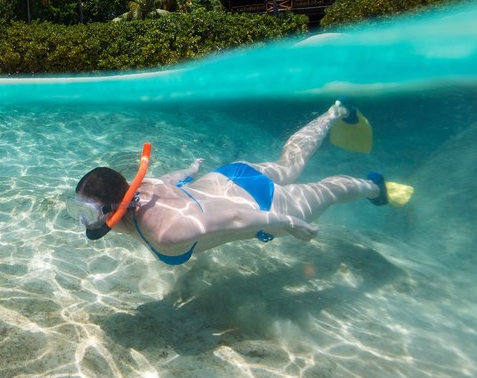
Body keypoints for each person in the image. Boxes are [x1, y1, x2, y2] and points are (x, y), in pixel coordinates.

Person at [72, 100, 413, 265]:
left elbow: (233, 219)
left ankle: (375, 189)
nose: (87, 222)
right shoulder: (139, 187)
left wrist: (288, 222)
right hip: (229, 176)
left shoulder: (165, 232)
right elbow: (169, 180)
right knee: (290, 163)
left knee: (328, 191)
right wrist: (190, 170)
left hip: (260, 206)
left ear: (114, 208)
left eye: (89, 212)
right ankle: (335, 112)